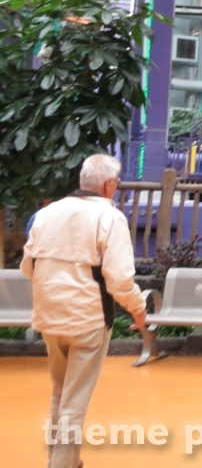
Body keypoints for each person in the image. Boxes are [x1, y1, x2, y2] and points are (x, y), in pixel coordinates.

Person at [21, 154, 148, 468]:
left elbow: (28, 266)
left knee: (59, 391)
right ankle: (61, 465)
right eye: (116, 184)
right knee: (74, 400)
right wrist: (138, 309)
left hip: (49, 317)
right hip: (88, 320)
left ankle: (62, 459)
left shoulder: (46, 214)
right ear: (108, 185)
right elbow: (119, 280)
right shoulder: (110, 218)